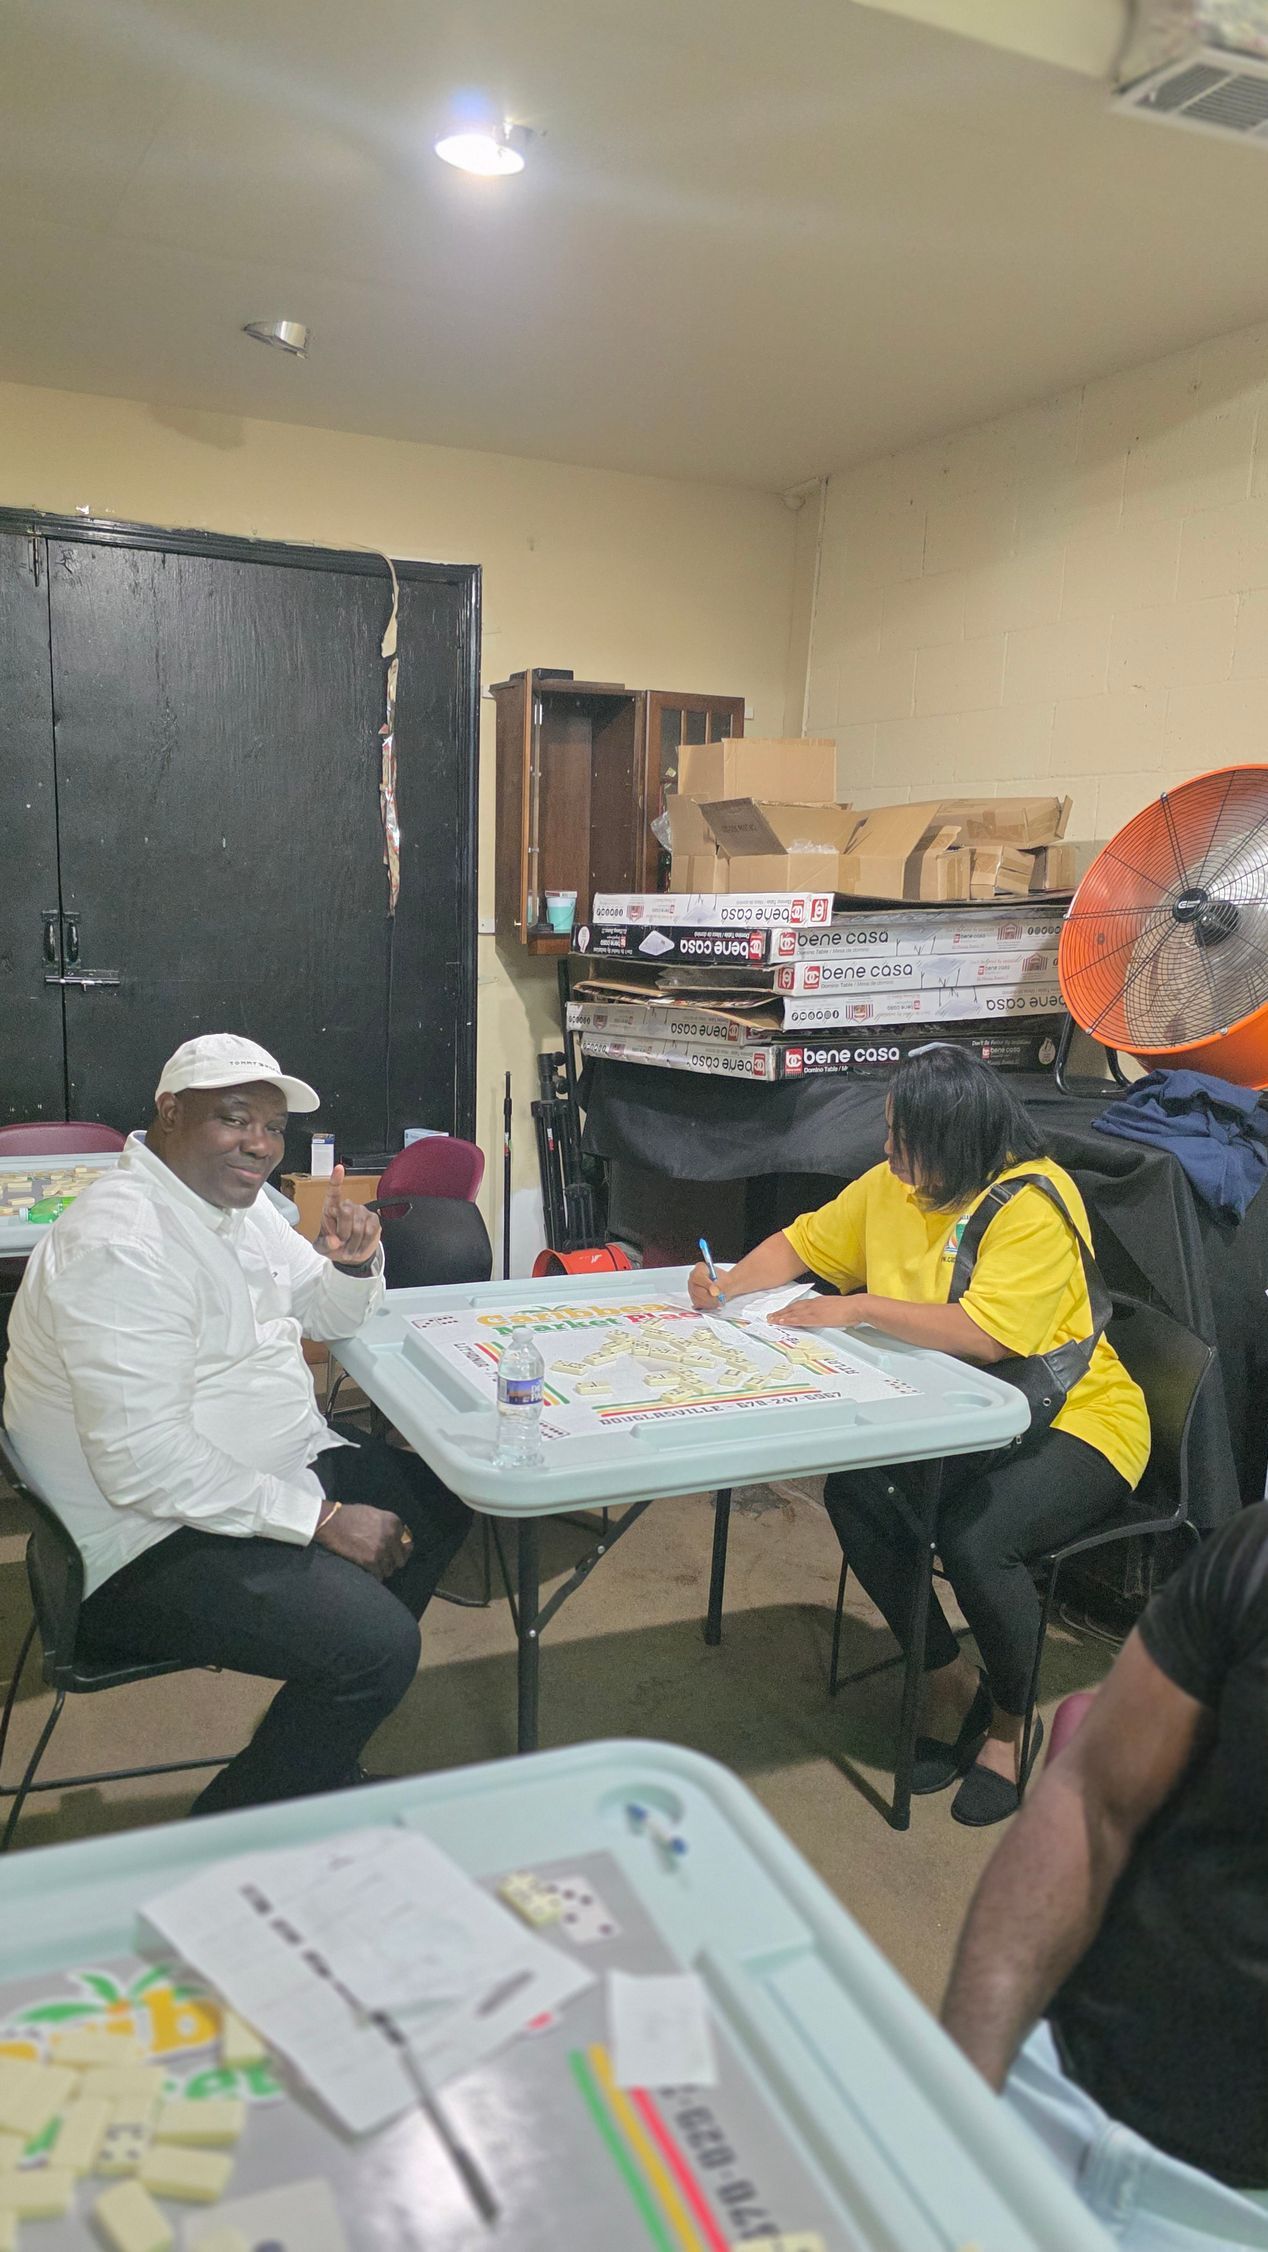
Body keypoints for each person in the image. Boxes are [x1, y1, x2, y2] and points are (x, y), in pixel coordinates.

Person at [3, 1034, 472, 1813]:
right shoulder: (123, 1246)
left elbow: (324, 1311)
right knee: (378, 1650)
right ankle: (234, 1825)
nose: (259, 1144)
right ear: (170, 1112)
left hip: (264, 1470)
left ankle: (309, 1760)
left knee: (439, 1503)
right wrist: (322, 1519)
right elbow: (144, 1464)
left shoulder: (235, 1207)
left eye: (272, 1126)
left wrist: (352, 1265)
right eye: (233, 1118)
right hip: (145, 1538)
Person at [688, 1046, 1149, 1825]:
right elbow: (801, 1245)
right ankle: (948, 1681)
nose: (888, 1152)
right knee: (859, 1496)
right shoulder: (895, 1186)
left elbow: (988, 1337)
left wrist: (860, 1306)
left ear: (957, 1143)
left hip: (1077, 1418)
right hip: (958, 1413)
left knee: (977, 1541)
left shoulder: (1031, 1200)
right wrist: (726, 1283)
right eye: (891, 1134)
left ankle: (1011, 1727)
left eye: (905, 1140)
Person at [940, 1504, 1268, 2250]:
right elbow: (1091, 1800)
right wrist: (961, 2095)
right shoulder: (1256, 1561)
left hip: (1238, 2213)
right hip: (1060, 2082)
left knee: (976, 1539)